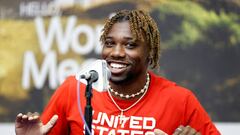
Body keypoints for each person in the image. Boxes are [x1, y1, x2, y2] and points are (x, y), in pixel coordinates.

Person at [15, 9, 220, 135]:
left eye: (130, 45)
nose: (116, 53)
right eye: (110, 43)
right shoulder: (75, 89)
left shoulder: (179, 100)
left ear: (151, 52)